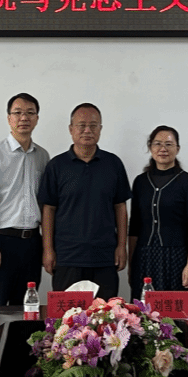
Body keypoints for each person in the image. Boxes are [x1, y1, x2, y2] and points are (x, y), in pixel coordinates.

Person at [39, 103, 132, 299]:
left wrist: (121, 246)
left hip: (104, 256)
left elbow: (120, 207)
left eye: (93, 125)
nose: (87, 130)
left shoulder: (113, 164)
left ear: (100, 129)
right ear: (71, 129)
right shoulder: (56, 166)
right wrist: (48, 250)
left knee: (107, 314)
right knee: (67, 315)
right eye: (81, 125)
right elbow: (48, 209)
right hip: (67, 256)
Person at [0, 93, 50, 305]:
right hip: (2, 242)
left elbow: (44, 203)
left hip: (32, 244)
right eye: (17, 113)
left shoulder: (42, 156)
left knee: (26, 307)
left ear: (37, 118)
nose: (24, 118)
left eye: (30, 113)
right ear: (9, 118)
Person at [127, 125, 188, 302]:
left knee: (176, 310)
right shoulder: (140, 182)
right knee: (145, 313)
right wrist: (131, 265)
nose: (163, 149)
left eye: (168, 144)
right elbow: (134, 226)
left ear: (178, 148)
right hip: (145, 258)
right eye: (157, 144)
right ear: (150, 147)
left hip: (177, 258)